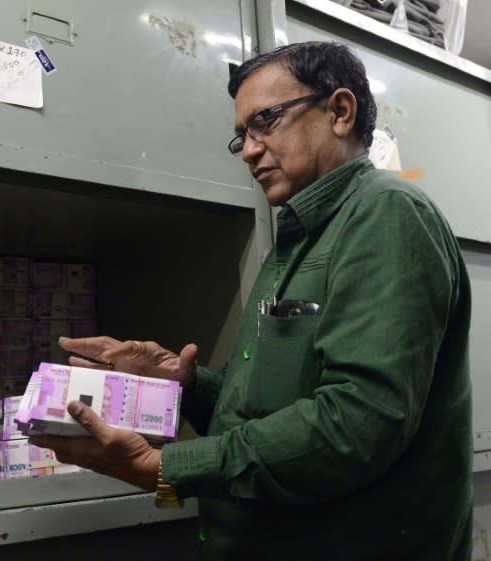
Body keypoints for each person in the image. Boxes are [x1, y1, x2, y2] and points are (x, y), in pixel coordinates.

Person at [29, 41, 473, 560]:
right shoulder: (300, 236)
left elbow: (357, 423)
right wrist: (188, 383)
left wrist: (171, 469)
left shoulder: (385, 215)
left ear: (340, 111)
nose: (251, 150)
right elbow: (278, 405)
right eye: (242, 136)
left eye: (266, 122)